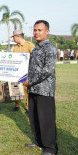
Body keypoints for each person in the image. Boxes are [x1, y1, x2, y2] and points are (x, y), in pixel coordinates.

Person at [23, 20, 58, 155]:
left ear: (47, 31)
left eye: (40, 30)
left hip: (44, 90)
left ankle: (50, 148)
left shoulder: (50, 48)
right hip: (33, 89)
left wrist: (30, 81)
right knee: (35, 117)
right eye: (35, 30)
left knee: (46, 119)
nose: (36, 32)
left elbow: (47, 70)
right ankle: (39, 141)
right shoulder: (36, 47)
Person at [12, 29, 35, 112]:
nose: (13, 39)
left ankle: (28, 107)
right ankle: (17, 104)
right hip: (17, 72)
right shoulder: (15, 48)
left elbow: (35, 59)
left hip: (27, 71)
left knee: (27, 90)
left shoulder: (30, 45)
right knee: (16, 88)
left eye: (14, 37)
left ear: (18, 37)